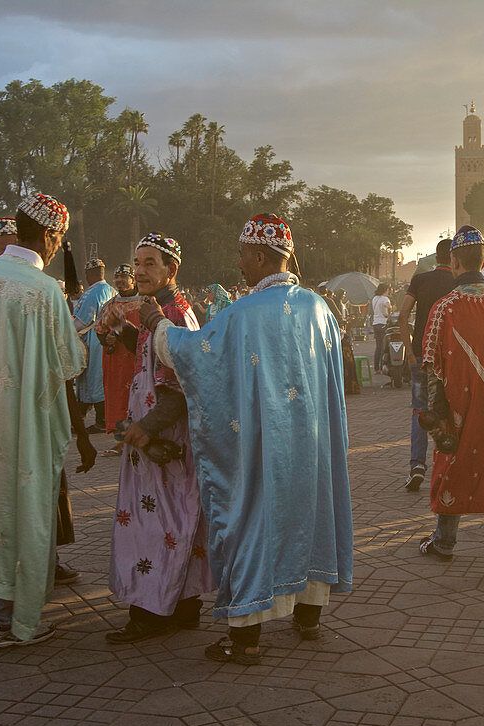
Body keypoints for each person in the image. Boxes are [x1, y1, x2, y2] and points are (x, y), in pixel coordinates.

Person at [139, 212, 352, 665]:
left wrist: (158, 324)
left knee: (255, 519)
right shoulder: (320, 309)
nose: (239, 264)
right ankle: (310, 613)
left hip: (264, 445)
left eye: (241, 255)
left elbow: (195, 356)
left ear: (258, 255)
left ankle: (246, 639)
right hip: (312, 445)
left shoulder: (242, 314)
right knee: (311, 515)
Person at [0, 193, 91, 649]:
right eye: (60, 239)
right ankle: (12, 620)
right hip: (28, 426)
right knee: (27, 512)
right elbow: (67, 365)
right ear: (50, 235)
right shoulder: (44, 289)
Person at [101, 234, 214, 643]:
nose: (141, 270)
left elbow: (181, 387)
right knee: (178, 523)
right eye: (137, 262)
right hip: (163, 440)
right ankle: (183, 606)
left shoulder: (174, 315)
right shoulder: (157, 312)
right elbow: (156, 358)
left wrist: (144, 428)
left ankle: (149, 614)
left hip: (165, 443)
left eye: (151, 263)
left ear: (172, 269)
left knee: (156, 527)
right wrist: (124, 334)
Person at [415, 226, 484, 583]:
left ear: (454, 261)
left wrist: (436, 419)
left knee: (453, 470)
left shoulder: (445, 308)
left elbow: (432, 364)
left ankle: (444, 543)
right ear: (483, 261)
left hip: (463, 411)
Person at [399, 239, 455, 492]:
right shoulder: (457, 282)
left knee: (420, 410)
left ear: (436, 257)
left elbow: (402, 316)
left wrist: (409, 352)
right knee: (452, 409)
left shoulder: (420, 280)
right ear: (453, 258)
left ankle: (417, 466)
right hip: (449, 357)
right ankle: (452, 465)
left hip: (420, 354)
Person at [95, 263, 143, 457]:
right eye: (118, 278)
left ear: (133, 279)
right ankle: (121, 441)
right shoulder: (111, 305)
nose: (120, 281)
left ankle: (139, 438)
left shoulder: (145, 302)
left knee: (137, 397)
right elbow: (100, 332)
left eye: (125, 277)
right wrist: (106, 339)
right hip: (116, 362)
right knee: (118, 399)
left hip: (136, 360)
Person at [73, 257, 116, 433]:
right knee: (97, 378)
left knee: (93, 379)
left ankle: (100, 420)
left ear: (89, 274)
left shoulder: (93, 293)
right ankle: (81, 416)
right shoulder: (111, 290)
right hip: (105, 340)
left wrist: (67, 333)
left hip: (94, 340)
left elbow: (82, 321)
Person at [370, 283, 392, 374]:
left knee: (378, 347)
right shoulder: (385, 299)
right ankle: (383, 367)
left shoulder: (375, 298)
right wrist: (388, 313)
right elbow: (388, 307)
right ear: (385, 290)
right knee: (384, 347)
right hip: (383, 323)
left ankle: (376, 368)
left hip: (376, 323)